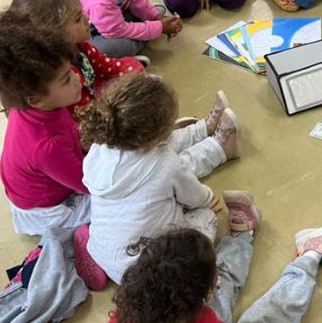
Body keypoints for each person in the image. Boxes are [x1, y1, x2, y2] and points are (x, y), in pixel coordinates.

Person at [73, 74, 241, 289]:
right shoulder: (165, 162)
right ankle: (219, 148)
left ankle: (202, 129)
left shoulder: (100, 147)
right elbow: (194, 195)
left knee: (165, 172)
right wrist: (207, 198)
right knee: (207, 218)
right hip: (151, 274)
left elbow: (159, 152)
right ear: (159, 134)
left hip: (106, 253)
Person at [108, 192, 322, 323]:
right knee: (268, 316)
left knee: (216, 281)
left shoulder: (125, 312)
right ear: (205, 295)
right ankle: (310, 256)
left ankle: (243, 235)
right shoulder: (206, 317)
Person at [0, 13, 88, 236]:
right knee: (126, 202)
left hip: (41, 186)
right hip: (48, 211)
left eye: (71, 71)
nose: (77, 79)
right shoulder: (46, 145)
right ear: (36, 99)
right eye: (66, 79)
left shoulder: (28, 104)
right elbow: (89, 184)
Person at [8, 0, 145, 118]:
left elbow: (104, 64)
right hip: (83, 114)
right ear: (56, 35)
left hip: (92, 90)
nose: (87, 19)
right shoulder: (62, 77)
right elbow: (87, 115)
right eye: (78, 18)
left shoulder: (79, 46)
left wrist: (132, 75)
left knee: (132, 65)